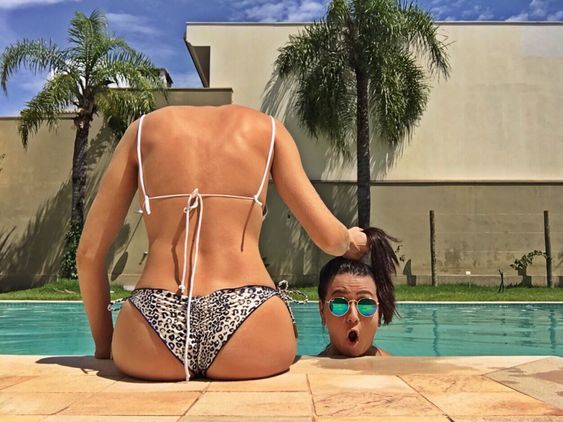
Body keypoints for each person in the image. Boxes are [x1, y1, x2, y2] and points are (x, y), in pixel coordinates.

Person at [77, 105, 367, 381]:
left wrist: (105, 348)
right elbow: (330, 239)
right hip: (249, 312)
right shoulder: (268, 130)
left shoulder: (141, 132)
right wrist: (350, 239)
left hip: (152, 318)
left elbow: (88, 256)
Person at [317, 227, 399, 358]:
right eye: (339, 304)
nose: (353, 317)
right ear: (322, 311)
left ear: (380, 312)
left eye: (365, 305)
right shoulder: (303, 370)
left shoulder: (398, 368)